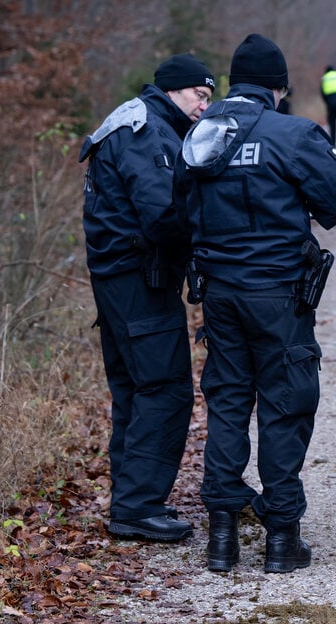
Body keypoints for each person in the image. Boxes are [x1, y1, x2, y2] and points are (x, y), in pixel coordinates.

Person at [174, 34, 336, 574]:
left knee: (229, 403)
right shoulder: (292, 133)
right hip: (279, 295)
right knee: (286, 404)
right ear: (278, 88)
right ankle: (281, 536)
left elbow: (178, 209)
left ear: (233, 84)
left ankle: (222, 536)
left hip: (220, 294)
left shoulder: (201, 133)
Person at [79, 54, 215, 542]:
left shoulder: (139, 121)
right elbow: (162, 216)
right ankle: (138, 507)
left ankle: (131, 501)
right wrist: (214, 235)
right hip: (138, 280)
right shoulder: (147, 132)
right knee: (165, 389)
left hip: (121, 279)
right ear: (174, 90)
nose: (205, 106)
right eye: (200, 95)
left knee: (135, 391)